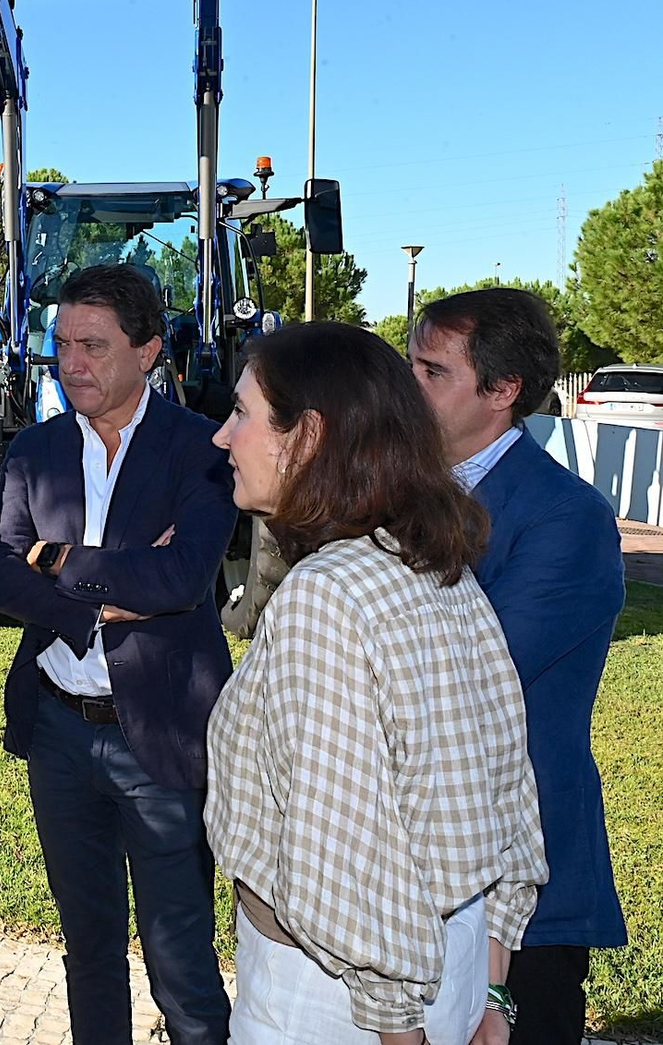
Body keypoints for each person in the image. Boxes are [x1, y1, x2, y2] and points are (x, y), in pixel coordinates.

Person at [205, 321, 548, 1045]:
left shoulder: (325, 594)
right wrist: (490, 988)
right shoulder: (433, 565)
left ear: (306, 436)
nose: (222, 436)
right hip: (452, 962)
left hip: (338, 1001)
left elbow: (348, 850)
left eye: (242, 413)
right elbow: (508, 786)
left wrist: (399, 1028)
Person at [0, 263, 237, 1045]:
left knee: (180, 958)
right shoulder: (33, 448)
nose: (70, 362)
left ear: (150, 349)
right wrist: (104, 599)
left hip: (158, 733)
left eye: (93, 345)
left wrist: (56, 560)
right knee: (87, 950)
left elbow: (184, 574)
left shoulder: (202, 447)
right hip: (58, 733)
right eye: (61, 343)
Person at [411, 288, 627, 1045]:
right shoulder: (401, 496)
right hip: (409, 867)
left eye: (431, 372)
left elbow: (470, 677)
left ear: (503, 392)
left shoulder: (568, 516)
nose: (409, 388)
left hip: (520, 879)